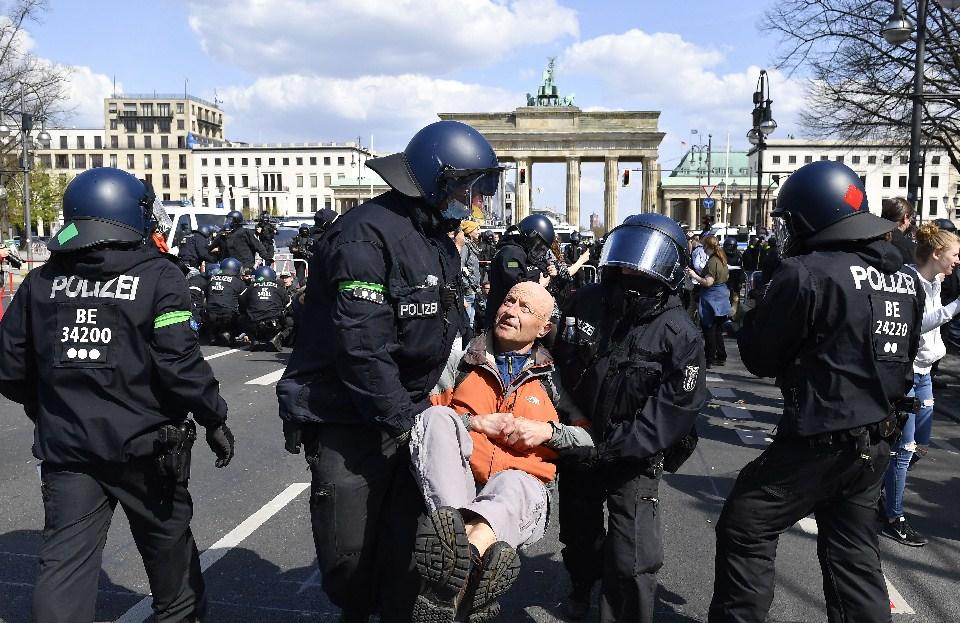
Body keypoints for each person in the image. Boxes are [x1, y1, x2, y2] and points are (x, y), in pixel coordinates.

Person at [276, 120, 502, 622]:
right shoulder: (363, 236)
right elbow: (362, 350)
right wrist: (405, 422)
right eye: (465, 187)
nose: (473, 200)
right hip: (350, 419)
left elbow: (449, 325)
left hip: (411, 414)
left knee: (407, 553)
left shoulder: (439, 240)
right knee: (349, 562)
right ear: (433, 180)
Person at [0, 167, 235, 623]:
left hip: (68, 448)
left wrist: (52, 408)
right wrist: (213, 417)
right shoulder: (160, 278)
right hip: (147, 449)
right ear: (131, 214)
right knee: (172, 568)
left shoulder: (41, 283)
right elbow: (179, 364)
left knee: (64, 568)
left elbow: (10, 367)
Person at [709, 161, 923, 623]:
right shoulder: (904, 279)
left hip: (819, 439)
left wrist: (757, 306)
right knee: (854, 556)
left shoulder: (807, 273)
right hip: (875, 442)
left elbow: (761, 357)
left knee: (747, 524)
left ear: (812, 216)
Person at [552, 213, 707, 623]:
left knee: (633, 555)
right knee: (578, 535)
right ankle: (582, 585)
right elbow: (557, 369)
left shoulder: (680, 333)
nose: (627, 271)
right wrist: (575, 429)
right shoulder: (586, 303)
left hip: (632, 455)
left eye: (640, 263)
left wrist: (613, 448)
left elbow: (673, 411)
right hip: (580, 441)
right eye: (622, 261)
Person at [411, 281, 591, 622]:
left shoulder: (555, 378)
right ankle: (462, 557)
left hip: (521, 496)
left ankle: (452, 563)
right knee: (437, 416)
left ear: (545, 328)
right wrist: (476, 423)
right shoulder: (460, 360)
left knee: (513, 483)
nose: (510, 311)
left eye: (525, 309)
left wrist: (548, 431)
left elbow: (588, 440)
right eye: (509, 301)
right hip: (457, 490)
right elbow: (419, 421)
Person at [881, 223, 960, 546]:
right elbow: (917, 324)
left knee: (919, 447)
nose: (957, 261)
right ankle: (893, 514)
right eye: (955, 254)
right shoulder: (909, 280)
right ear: (938, 253)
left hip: (925, 371)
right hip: (910, 373)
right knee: (906, 448)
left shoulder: (934, 281)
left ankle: (880, 488)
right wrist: (956, 308)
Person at [485, 213, 554, 328]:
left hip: (513, 319)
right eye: (538, 245)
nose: (539, 251)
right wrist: (540, 285)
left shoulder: (523, 253)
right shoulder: (510, 253)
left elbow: (533, 271)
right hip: (503, 320)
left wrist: (548, 270)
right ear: (531, 236)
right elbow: (517, 284)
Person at [688, 235, 732, 367]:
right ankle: (721, 355)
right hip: (721, 296)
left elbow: (708, 282)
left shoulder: (713, 261)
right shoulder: (722, 257)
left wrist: (694, 275)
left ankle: (709, 359)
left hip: (712, 298)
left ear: (707, 246)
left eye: (704, 245)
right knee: (717, 329)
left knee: (709, 329)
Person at [239, 265, 293, 352]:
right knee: (291, 321)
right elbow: (289, 306)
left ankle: (254, 340)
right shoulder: (279, 288)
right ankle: (277, 338)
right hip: (275, 324)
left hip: (254, 323)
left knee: (241, 318)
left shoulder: (250, 288)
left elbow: (241, 303)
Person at [205, 256, 246, 346]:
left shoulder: (211, 280)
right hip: (228, 317)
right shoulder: (237, 282)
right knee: (245, 314)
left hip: (210, 316)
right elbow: (244, 301)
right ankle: (229, 334)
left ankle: (213, 335)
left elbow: (207, 297)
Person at [459, 220, 483, 342]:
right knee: (468, 322)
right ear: (469, 231)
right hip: (468, 290)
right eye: (476, 229)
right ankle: (465, 348)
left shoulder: (472, 247)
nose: (479, 232)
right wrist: (467, 284)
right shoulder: (465, 247)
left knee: (472, 321)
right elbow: (461, 266)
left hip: (473, 289)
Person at [882, 197, 917, 265]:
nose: (910, 223)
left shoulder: (871, 240)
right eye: (910, 219)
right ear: (905, 217)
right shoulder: (911, 248)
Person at [723, 237, 745, 319]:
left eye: (733, 246)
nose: (731, 248)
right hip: (725, 280)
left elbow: (741, 268)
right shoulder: (722, 255)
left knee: (735, 299)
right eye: (729, 246)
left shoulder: (738, 255)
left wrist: (741, 280)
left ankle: (733, 316)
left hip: (735, 280)